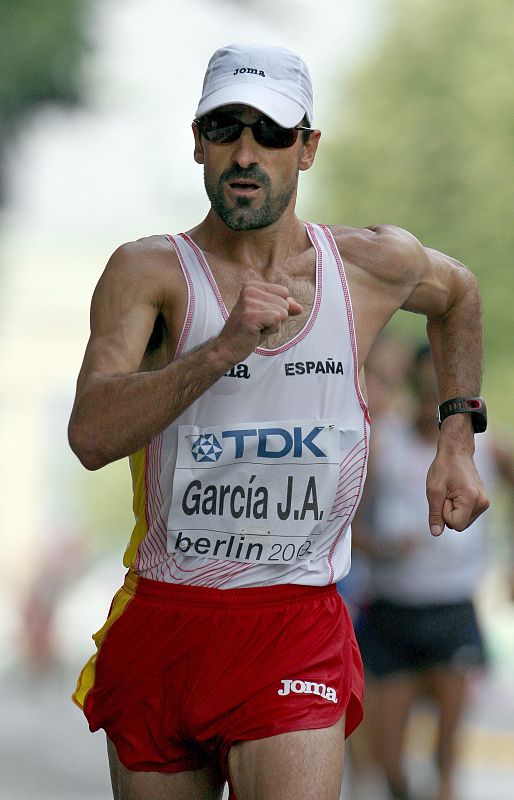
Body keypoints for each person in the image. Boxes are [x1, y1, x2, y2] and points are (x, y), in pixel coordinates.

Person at [68, 43, 489, 800]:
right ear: (196, 140)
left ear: (307, 149)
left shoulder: (367, 266)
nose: (245, 153)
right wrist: (221, 348)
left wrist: (457, 438)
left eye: (270, 133)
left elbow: (458, 295)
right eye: (226, 128)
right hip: (168, 614)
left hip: (292, 619)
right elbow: (92, 435)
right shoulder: (149, 272)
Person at [351, 344, 513, 800]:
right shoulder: (384, 442)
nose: (430, 404)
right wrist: (381, 547)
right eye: (422, 390)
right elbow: (346, 525)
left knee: (447, 763)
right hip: (391, 610)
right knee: (389, 765)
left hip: (452, 611)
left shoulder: (489, 447)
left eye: (440, 395)